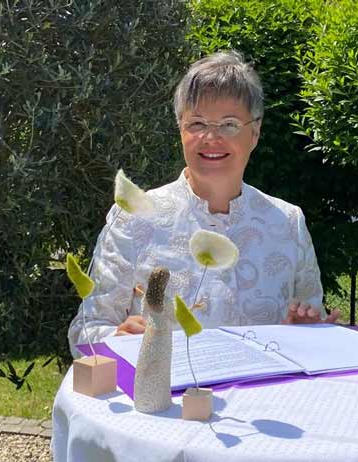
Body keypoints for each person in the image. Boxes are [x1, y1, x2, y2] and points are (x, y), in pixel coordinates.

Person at [68, 50, 339, 357]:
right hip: (166, 389)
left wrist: (307, 332)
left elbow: (311, 325)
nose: (211, 137)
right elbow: (86, 332)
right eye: (197, 123)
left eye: (229, 124)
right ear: (180, 129)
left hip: (263, 388)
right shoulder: (134, 217)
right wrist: (119, 338)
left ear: (255, 132)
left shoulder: (288, 223)